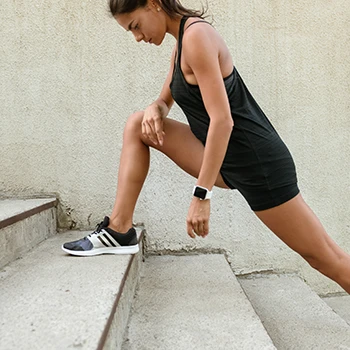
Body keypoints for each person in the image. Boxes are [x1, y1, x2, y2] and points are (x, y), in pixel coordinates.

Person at [62, 0, 350, 294]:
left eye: (135, 26)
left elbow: (223, 121)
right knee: (138, 125)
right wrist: (155, 108)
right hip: (227, 159)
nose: (138, 37)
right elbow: (164, 100)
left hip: (258, 165)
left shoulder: (197, 36)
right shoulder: (182, 40)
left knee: (326, 259)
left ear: (153, 4)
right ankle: (119, 229)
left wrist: (202, 195)